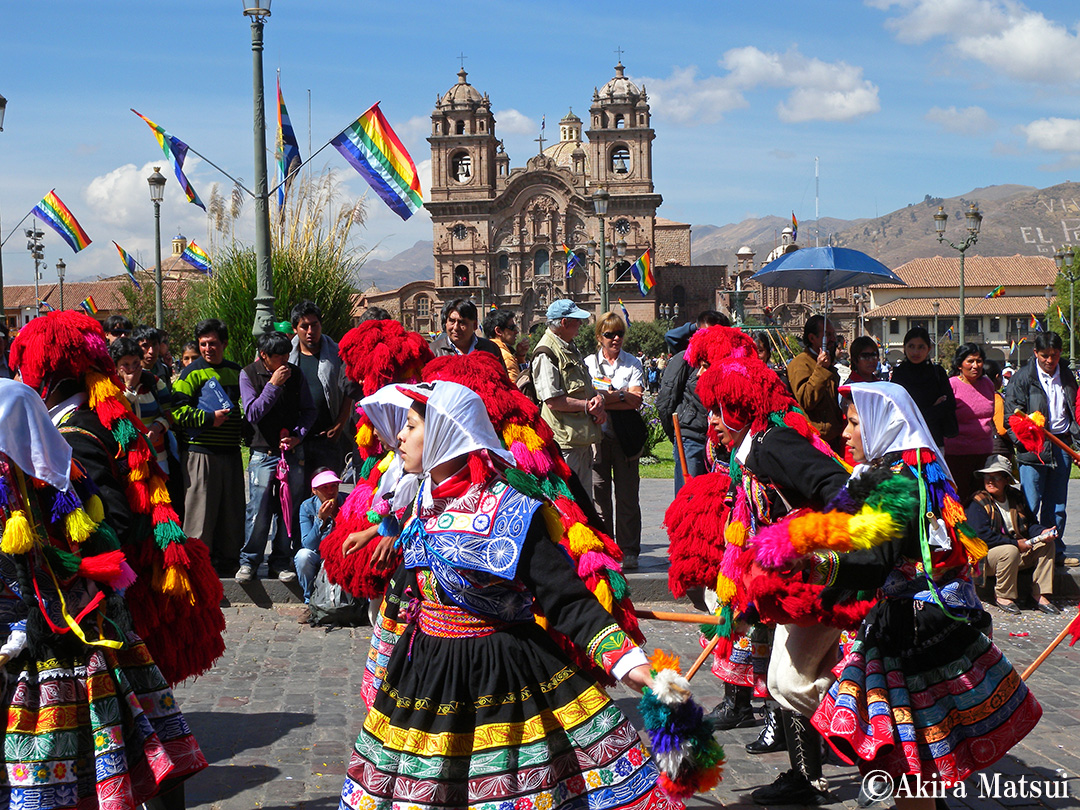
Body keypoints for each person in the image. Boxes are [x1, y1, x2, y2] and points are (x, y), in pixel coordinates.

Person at [338, 380, 674, 810]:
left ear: (444, 432)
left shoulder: (509, 510)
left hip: (499, 679)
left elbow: (565, 599)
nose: (399, 437)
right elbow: (408, 594)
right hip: (424, 677)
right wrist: (383, 664)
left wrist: (629, 664)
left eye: (411, 425)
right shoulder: (422, 503)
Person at [806, 383, 1041, 807]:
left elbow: (876, 559)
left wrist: (817, 564)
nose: (845, 432)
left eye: (855, 423)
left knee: (911, 759)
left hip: (915, 634)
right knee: (910, 757)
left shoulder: (901, 483)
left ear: (883, 425)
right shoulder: (891, 474)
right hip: (898, 622)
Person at [0, 378, 207, 810]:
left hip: (71, 637)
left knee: (104, 747)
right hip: (38, 633)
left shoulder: (60, 478)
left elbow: (104, 530)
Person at [697, 355, 852, 806]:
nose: (712, 423)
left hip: (822, 576)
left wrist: (801, 542)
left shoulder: (776, 445)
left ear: (740, 410)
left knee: (790, 681)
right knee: (784, 680)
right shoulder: (750, 453)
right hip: (790, 584)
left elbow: (838, 488)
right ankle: (808, 777)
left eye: (718, 411)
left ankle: (862, 718)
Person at [237, 330, 317, 583]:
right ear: (264, 356)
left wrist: (298, 436)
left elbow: (309, 411)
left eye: (287, 355)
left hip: (292, 453)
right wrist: (273, 385)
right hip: (262, 452)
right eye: (278, 357)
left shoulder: (297, 374)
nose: (284, 361)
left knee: (288, 509)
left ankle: (281, 560)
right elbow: (252, 413)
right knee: (258, 509)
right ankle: (249, 560)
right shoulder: (248, 374)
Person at [172, 318, 246, 577]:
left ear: (224, 344)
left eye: (212, 343)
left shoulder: (237, 372)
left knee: (232, 513)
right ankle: (198, 569)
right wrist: (207, 419)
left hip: (231, 453)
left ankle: (229, 564)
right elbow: (177, 411)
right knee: (199, 516)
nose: (207, 349)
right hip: (200, 453)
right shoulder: (190, 373)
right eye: (203, 344)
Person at [1004, 330, 1080, 568]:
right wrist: (1024, 441)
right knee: (1030, 502)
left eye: (1055, 355)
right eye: (1045, 355)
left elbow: (1074, 413)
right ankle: (1027, 551)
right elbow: (1010, 418)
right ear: (1035, 353)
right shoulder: (1022, 378)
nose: (1049, 360)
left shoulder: (1067, 377)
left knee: (1057, 505)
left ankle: (1055, 551)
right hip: (1033, 448)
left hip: (1062, 444)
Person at [585, 312, 645, 569]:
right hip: (597, 440)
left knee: (628, 497)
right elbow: (589, 401)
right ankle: (606, 547)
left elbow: (637, 400)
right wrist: (621, 396)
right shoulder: (587, 363)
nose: (616, 338)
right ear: (599, 337)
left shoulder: (632, 363)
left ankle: (629, 550)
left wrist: (606, 398)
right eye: (610, 334)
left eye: (619, 333)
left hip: (625, 439)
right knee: (599, 497)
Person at [965, 454, 1058, 614]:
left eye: (996, 477)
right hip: (987, 557)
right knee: (1010, 550)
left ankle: (1039, 594)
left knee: (1047, 545)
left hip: (1016, 551)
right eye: (987, 477)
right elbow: (981, 536)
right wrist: (1016, 544)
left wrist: (1042, 532)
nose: (990, 481)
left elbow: (1030, 524)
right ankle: (1003, 595)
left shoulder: (1016, 497)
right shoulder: (978, 502)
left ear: (1006, 479)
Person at [532, 299, 604, 489]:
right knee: (570, 503)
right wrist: (589, 406)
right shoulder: (546, 352)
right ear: (564, 323)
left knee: (585, 502)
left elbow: (585, 387)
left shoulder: (569, 346)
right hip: (564, 444)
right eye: (577, 321)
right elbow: (553, 401)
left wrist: (597, 398)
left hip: (579, 439)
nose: (580, 325)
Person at [656, 310, 729, 492]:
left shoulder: (729, 362)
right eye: (703, 333)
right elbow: (666, 401)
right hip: (692, 439)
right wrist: (679, 431)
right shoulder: (685, 359)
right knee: (690, 498)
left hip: (722, 442)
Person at [289, 301, 359, 481]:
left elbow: (348, 391)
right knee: (297, 496)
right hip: (297, 440)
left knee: (328, 494)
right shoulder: (286, 356)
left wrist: (339, 424)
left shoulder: (337, 354)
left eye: (315, 325)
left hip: (327, 439)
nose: (310, 331)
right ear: (295, 328)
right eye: (304, 326)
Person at [890, 326, 957, 450]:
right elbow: (896, 409)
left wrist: (916, 413)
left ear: (929, 349)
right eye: (911, 346)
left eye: (921, 347)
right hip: (906, 442)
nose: (916, 352)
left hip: (933, 441)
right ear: (904, 348)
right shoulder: (899, 374)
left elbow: (949, 404)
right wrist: (933, 408)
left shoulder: (938, 373)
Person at [786, 315, 845, 454]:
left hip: (833, 439)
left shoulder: (828, 362)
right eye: (827, 335)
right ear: (812, 338)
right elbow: (807, 399)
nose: (832, 339)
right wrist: (821, 369)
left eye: (833, 334)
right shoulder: (800, 363)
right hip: (815, 441)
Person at [945, 342, 995, 502]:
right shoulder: (951, 385)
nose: (975, 366)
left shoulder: (988, 384)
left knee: (983, 501)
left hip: (984, 454)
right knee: (960, 500)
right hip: (958, 455)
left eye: (979, 361)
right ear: (960, 365)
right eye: (970, 361)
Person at [295, 467, 347, 606]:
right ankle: (309, 600)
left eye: (333, 486)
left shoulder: (348, 501)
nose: (330, 491)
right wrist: (320, 520)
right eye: (324, 487)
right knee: (303, 556)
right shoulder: (307, 507)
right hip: (319, 551)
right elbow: (308, 544)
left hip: (342, 551)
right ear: (314, 491)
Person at [428, 297, 502, 359]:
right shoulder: (432, 351)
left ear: (475, 325)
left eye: (462, 322)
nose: (456, 327)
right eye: (452, 321)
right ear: (445, 323)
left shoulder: (490, 349)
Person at [483, 307, 521, 382]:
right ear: (498, 331)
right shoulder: (505, 357)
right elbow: (516, 388)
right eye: (512, 328)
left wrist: (520, 357)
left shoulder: (486, 350)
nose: (516, 332)